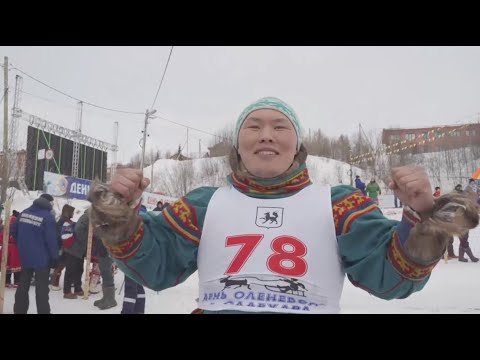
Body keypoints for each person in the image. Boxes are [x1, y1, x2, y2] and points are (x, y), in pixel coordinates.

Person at [88, 96, 478, 314]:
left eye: (280, 127)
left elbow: (392, 280)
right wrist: (119, 217)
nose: (266, 135)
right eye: (253, 127)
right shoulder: (205, 204)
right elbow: (155, 268)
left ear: (298, 144)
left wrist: (422, 222)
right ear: (238, 143)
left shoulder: (339, 204)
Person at [11, 194, 58, 314]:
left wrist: (22, 245)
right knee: (41, 289)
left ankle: (19, 311)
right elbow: (51, 240)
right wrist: (55, 257)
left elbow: (14, 230)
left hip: (25, 257)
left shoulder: (24, 212)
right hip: (42, 260)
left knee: (23, 285)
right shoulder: (48, 217)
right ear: (48, 203)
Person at [50, 204, 75, 290]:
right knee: (59, 266)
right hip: (62, 247)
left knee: (60, 265)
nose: (73, 214)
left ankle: (54, 283)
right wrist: (62, 246)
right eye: (72, 212)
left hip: (61, 246)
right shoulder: (63, 222)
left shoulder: (62, 220)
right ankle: (54, 283)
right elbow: (60, 235)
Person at [0, 214, 21, 287]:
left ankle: (6, 281)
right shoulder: (18, 230)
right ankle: (17, 281)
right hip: (15, 250)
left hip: (6, 248)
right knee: (16, 266)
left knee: (7, 266)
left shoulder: (4, 230)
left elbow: (0, 239)